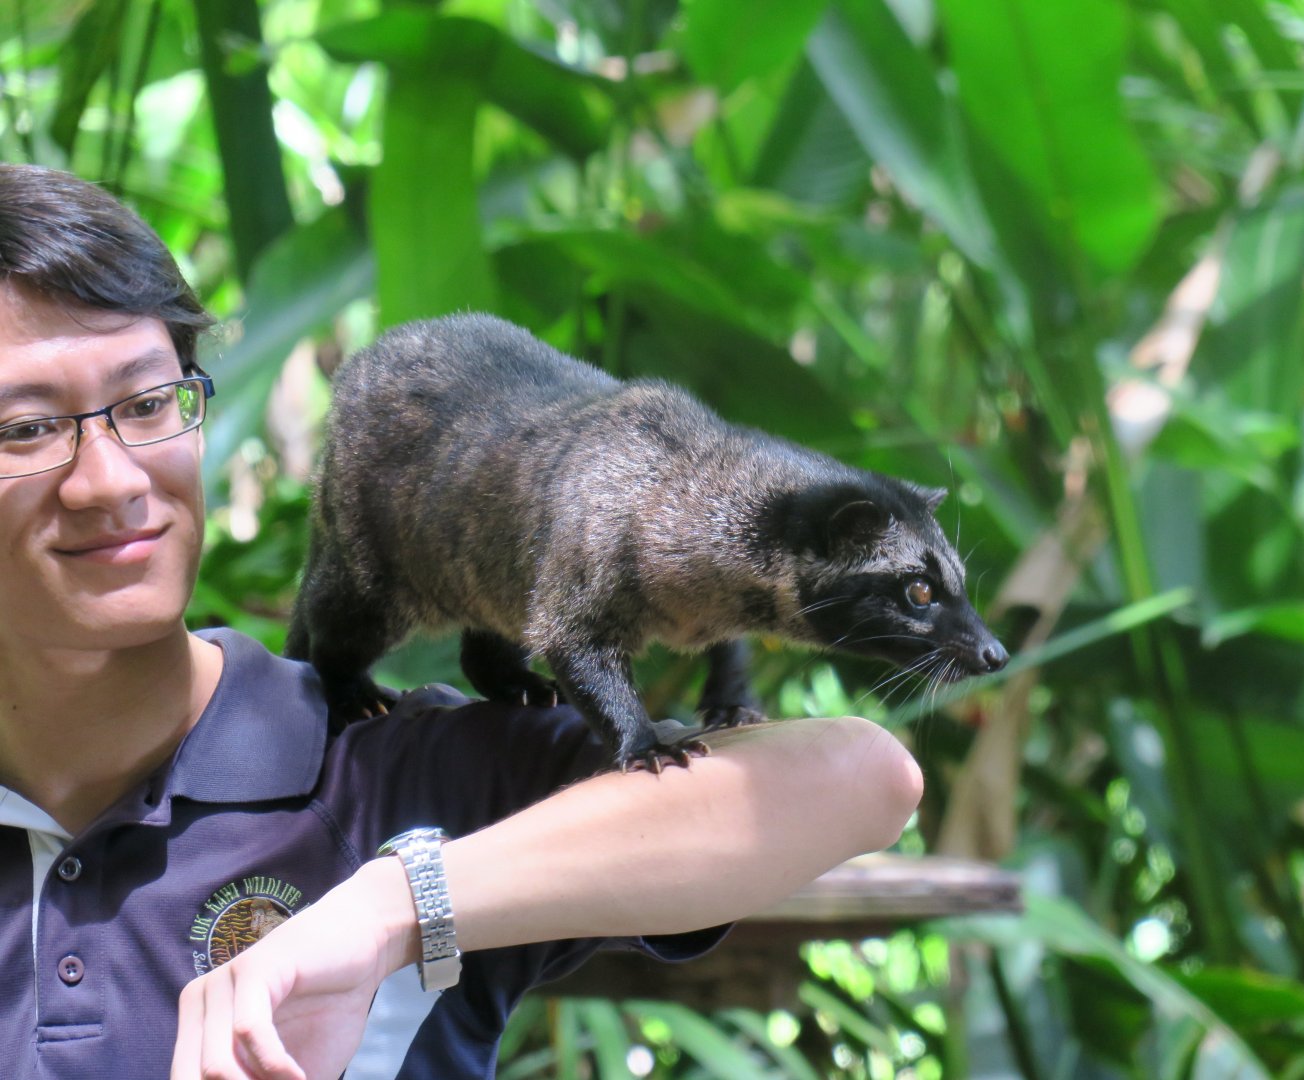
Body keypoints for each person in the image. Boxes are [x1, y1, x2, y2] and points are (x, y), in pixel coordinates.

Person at [0, 164, 923, 1080]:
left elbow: (864, 778)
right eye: (26, 429)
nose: (112, 481)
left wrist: (396, 908)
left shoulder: (398, 774)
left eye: (149, 403)